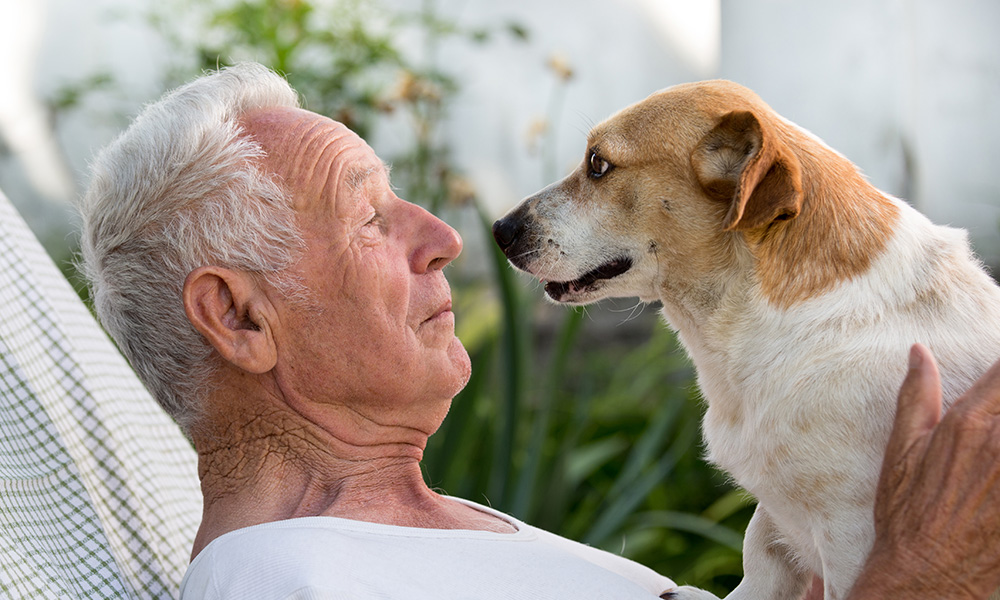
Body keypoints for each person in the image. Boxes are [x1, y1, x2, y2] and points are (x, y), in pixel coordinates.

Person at [75, 63, 1000, 599]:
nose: (442, 238)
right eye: (369, 219)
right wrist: (918, 577)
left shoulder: (415, 540)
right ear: (237, 316)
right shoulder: (289, 579)